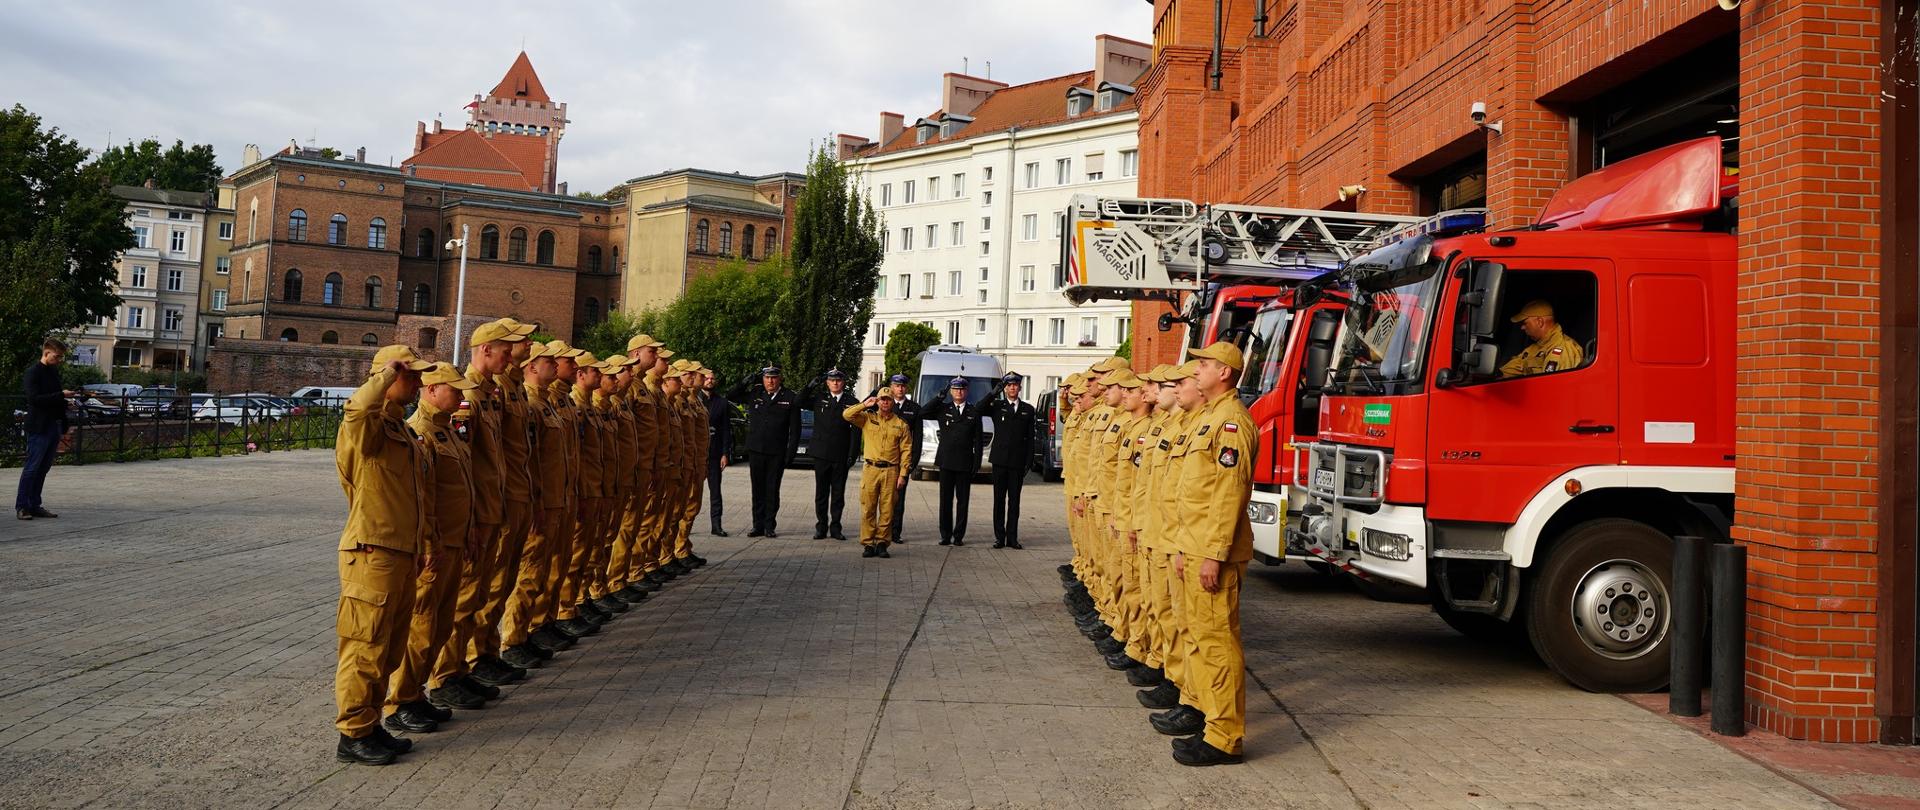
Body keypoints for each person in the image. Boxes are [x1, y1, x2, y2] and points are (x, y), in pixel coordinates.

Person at [332, 345, 432, 766]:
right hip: (371, 552)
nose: (420, 383)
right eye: (411, 377)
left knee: (389, 648)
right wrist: (385, 374)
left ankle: (372, 724)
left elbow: (416, 498)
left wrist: (424, 546)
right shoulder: (366, 430)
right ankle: (353, 733)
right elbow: (355, 411)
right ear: (390, 380)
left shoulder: (403, 431)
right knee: (365, 645)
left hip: (401, 551)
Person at [1162, 342, 1258, 766]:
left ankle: (1224, 737)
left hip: (1213, 553)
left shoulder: (1232, 423)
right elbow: (1192, 496)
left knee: (1217, 643)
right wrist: (1186, 548)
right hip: (1196, 547)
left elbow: (1227, 495)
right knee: (1199, 639)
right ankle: (1206, 715)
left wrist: (1214, 555)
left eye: (1203, 365)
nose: (1196, 371)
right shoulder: (1208, 418)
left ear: (1224, 372)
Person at [382, 362, 478, 736]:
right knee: (421, 627)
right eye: (453, 389)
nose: (460, 396)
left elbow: (460, 491)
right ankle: (400, 702)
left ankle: (419, 691)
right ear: (432, 391)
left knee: (439, 627)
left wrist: (470, 529)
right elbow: (424, 498)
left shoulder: (448, 433)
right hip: (435, 547)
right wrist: (427, 542)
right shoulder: (420, 433)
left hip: (456, 542)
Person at [726, 366, 801, 537]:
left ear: (780, 378)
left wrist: (790, 453)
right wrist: (744, 382)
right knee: (757, 489)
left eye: (774, 378)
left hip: (777, 451)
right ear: (763, 379)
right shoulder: (755, 393)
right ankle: (757, 525)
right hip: (756, 450)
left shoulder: (789, 397)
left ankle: (769, 526)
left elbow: (795, 429)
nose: (770, 381)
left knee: (772, 489)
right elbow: (731, 396)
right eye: (767, 378)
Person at [922, 376, 993, 546]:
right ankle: (945, 535)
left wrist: (976, 463)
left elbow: (977, 439)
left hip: (964, 462)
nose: (959, 392)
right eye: (955, 389)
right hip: (946, 461)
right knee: (945, 501)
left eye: (962, 389)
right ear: (951, 391)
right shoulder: (943, 409)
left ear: (966, 391)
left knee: (962, 501)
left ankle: (959, 535)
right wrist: (939, 397)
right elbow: (923, 412)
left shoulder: (973, 412)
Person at [844, 391, 913, 558]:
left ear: (893, 402)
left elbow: (906, 451)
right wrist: (865, 404)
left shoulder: (901, 424)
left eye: (888, 400)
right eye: (882, 399)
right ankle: (868, 543)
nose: (885, 403)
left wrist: (903, 474)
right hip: (871, 469)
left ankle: (882, 543)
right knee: (868, 507)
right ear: (878, 401)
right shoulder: (868, 418)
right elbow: (847, 415)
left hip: (891, 471)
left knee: (887, 509)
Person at [985, 372, 1039, 549]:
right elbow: (978, 408)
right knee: (999, 500)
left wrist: (1029, 462)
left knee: (1014, 502)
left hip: (1017, 462)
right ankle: (999, 537)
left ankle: (1012, 538)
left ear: (1020, 388)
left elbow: (1031, 438)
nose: (1012, 388)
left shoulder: (1028, 410)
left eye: (1015, 385)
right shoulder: (997, 406)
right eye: (1009, 385)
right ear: (1005, 388)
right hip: (1000, 461)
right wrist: (993, 393)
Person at [16, 338, 67, 521]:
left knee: (43, 468)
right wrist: (61, 395)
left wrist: (66, 403)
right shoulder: (33, 372)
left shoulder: (53, 372)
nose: (59, 360)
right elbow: (34, 399)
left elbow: (54, 398)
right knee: (32, 467)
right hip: (38, 426)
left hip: (53, 425)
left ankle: (35, 504)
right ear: (47, 353)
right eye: (57, 356)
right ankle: (22, 506)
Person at [806, 369, 860, 541]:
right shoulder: (819, 398)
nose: (835, 383)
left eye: (838, 380)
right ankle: (821, 527)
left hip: (840, 455)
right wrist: (810, 386)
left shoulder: (851, 402)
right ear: (827, 382)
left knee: (838, 494)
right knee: (821, 493)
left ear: (843, 382)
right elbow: (799, 401)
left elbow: (856, 432)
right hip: (821, 454)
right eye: (831, 380)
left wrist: (852, 454)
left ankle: (836, 527)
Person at [1499, 300, 1584, 378]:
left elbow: (1552, 388)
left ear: (1540, 322)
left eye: (1525, 323)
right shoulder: (1535, 347)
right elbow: (1509, 371)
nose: (1522, 327)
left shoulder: (1562, 348)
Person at [885, 374, 923, 544]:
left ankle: (895, 533)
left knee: (899, 500)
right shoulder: (885, 405)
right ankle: (882, 531)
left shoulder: (914, 408)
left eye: (902, 386)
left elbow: (918, 438)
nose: (899, 389)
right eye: (896, 385)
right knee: (883, 498)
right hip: (885, 460)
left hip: (902, 462)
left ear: (906, 388)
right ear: (891, 387)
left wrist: (911, 464)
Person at [702, 368, 732, 536]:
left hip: (714, 453)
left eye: (712, 378)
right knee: (692, 494)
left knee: (715, 492)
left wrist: (725, 453)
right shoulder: (694, 400)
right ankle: (684, 526)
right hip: (696, 454)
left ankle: (716, 525)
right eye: (706, 378)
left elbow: (726, 429)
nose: (710, 380)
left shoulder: (722, 402)